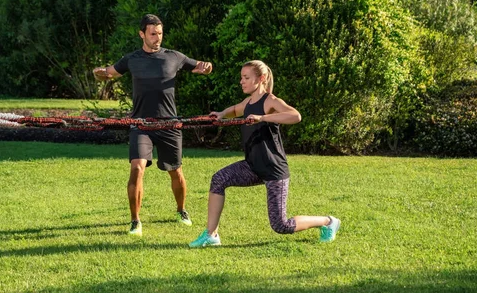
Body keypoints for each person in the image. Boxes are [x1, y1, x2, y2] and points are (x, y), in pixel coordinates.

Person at [189, 60, 340, 247]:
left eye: (246, 78)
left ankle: (328, 222)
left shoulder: (270, 100)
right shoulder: (248, 102)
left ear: (261, 79)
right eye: (241, 78)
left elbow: (295, 115)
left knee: (281, 225)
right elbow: (235, 110)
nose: (241, 82)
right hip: (252, 166)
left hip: (273, 169)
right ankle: (211, 235)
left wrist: (263, 118)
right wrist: (221, 114)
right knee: (219, 179)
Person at [94, 14, 213, 236]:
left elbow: (199, 67)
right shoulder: (131, 59)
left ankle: (181, 210)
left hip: (169, 124)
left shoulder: (174, 57)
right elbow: (108, 73)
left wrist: (207, 67)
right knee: (137, 167)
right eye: (152, 34)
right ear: (142, 34)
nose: (157, 38)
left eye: (159, 33)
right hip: (140, 124)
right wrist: (98, 73)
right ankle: (135, 221)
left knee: (176, 172)